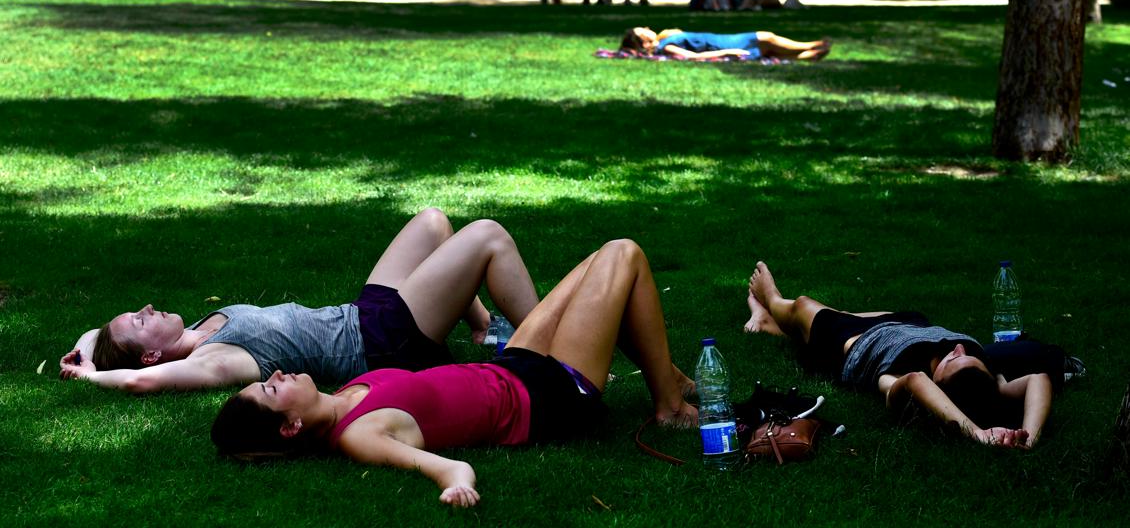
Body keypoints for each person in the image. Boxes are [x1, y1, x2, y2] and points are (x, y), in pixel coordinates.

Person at [211, 239, 698, 507]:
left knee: (599, 264)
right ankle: (670, 406)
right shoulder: (360, 435)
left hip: (514, 367)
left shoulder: (344, 396)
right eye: (271, 389)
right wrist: (457, 484)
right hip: (550, 395)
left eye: (267, 378)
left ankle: (667, 378)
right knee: (622, 254)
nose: (276, 374)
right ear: (291, 425)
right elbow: (443, 467)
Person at [58, 209, 540, 393]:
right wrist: (95, 375)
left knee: (433, 222)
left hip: (360, 313)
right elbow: (140, 383)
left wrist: (84, 350)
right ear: (150, 355)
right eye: (140, 324)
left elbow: (105, 340)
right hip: (383, 341)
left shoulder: (197, 328)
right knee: (487, 236)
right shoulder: (216, 360)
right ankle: (547, 352)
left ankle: (481, 327)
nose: (146, 309)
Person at [742, 261, 1053, 449]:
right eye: (966, 354)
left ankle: (770, 299)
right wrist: (1031, 436)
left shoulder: (899, 381)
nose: (958, 348)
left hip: (845, 338)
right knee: (835, 314)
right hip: (903, 322)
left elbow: (917, 380)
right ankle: (768, 324)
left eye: (954, 359)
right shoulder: (988, 379)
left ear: (939, 385)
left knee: (803, 307)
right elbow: (1038, 379)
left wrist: (978, 434)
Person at [620, 27, 832, 61]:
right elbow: (693, 57)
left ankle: (810, 54)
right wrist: (728, 51)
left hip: (721, 39)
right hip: (726, 43)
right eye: (643, 30)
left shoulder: (664, 38)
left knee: (769, 46)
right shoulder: (665, 47)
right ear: (643, 42)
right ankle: (810, 45)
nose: (647, 27)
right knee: (767, 39)